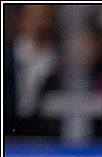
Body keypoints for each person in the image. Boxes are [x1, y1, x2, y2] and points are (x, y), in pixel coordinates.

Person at [3, 4, 62, 138]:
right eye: (34, 17)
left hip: (47, 139)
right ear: (20, 19)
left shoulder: (63, 60)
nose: (40, 24)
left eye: (46, 17)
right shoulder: (5, 57)